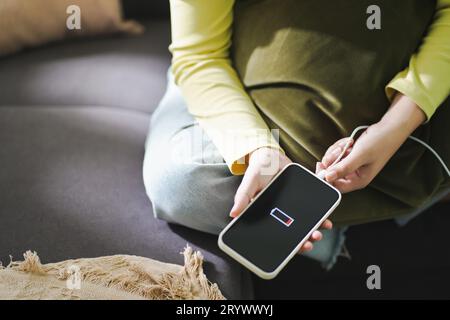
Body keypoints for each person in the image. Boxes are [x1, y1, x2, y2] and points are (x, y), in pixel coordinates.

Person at [144, 0, 450, 268]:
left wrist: (396, 125)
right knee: (179, 182)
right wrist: (260, 150)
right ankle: (345, 225)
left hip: (409, 121)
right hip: (228, 86)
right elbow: (200, 56)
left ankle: (314, 219)